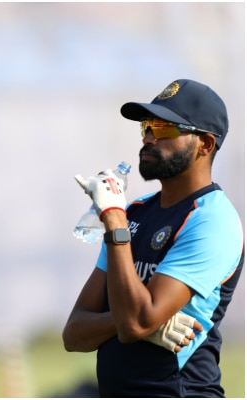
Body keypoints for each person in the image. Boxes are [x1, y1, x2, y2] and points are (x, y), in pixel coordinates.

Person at [62, 79, 244, 397]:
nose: (148, 138)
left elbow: (135, 323)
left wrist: (114, 221)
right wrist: (143, 325)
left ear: (205, 144)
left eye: (163, 128)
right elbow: (74, 333)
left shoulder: (211, 220)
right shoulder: (136, 213)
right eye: (147, 126)